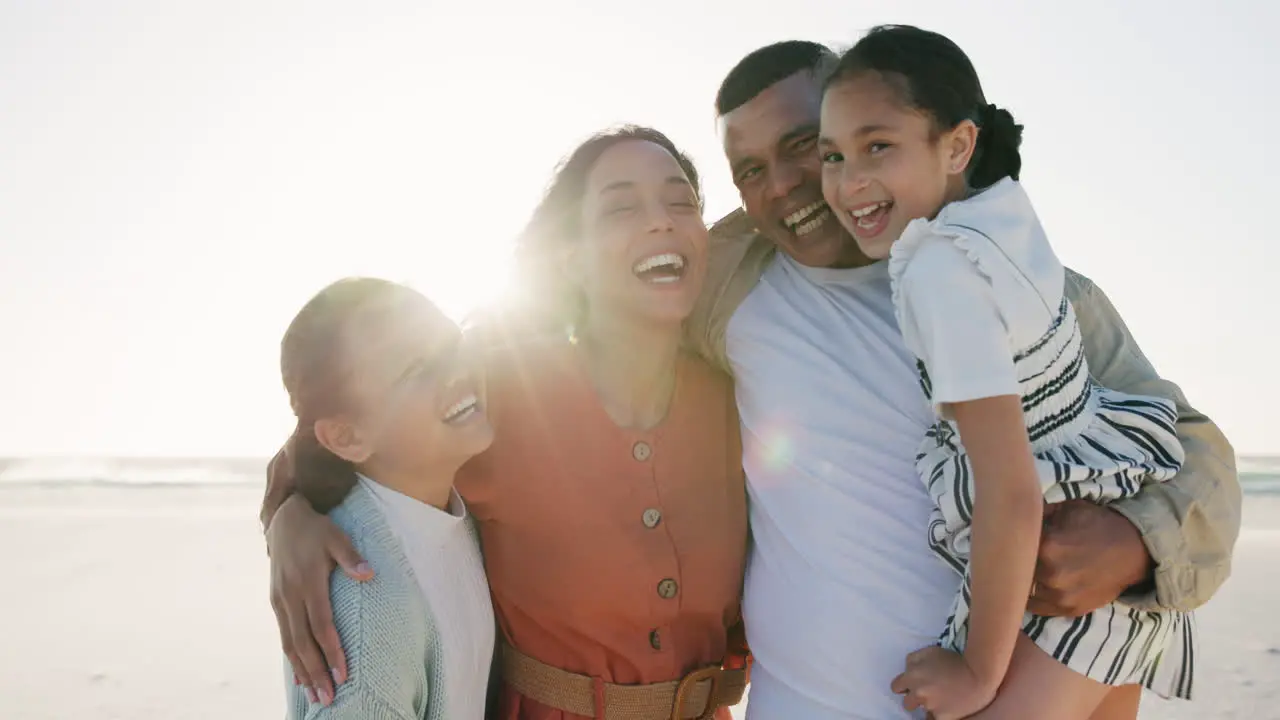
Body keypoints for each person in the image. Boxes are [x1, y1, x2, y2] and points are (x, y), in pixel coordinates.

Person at [682, 40, 1239, 718]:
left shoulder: (1014, 287)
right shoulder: (726, 285)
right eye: (748, 170)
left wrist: (1137, 543)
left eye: (805, 144)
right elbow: (586, 308)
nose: (781, 184)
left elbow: (1192, 452)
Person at [262, 126, 751, 720]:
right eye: (622, 207)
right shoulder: (495, 386)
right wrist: (289, 518)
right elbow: (345, 430)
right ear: (569, 256)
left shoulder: (740, 394)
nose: (662, 222)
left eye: (682, 203)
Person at [818, 25, 1193, 720]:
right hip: (1108, 549)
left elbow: (1010, 492)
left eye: (879, 146)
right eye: (832, 155)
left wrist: (975, 672)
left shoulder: (938, 268)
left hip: (1059, 589)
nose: (849, 181)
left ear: (957, 145)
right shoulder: (999, 216)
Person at [275, 277, 496, 719]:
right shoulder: (368, 610)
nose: (456, 370)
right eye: (415, 369)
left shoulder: (439, 508)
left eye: (451, 343)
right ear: (347, 437)